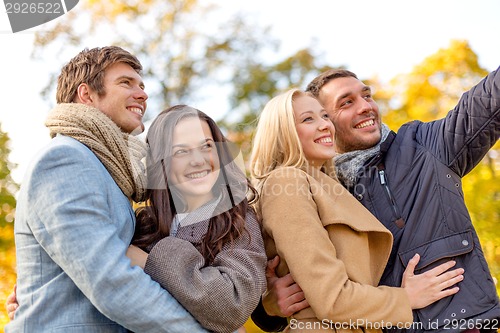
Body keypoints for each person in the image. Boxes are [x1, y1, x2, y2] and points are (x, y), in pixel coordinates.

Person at [253, 70, 500, 333]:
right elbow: (304, 278)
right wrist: (267, 307)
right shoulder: (314, 187)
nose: (365, 107)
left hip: (457, 325)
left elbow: (487, 101)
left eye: (367, 95)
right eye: (346, 102)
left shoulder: (424, 147)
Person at [5, 46, 207, 332]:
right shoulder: (65, 159)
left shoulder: (108, 171)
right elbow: (110, 281)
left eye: (142, 85)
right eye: (126, 83)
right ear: (86, 94)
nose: (142, 94)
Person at [125, 105, 267, 333]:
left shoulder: (237, 219)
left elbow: (232, 304)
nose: (198, 160)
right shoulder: (143, 224)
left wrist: (146, 260)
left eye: (206, 147)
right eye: (181, 151)